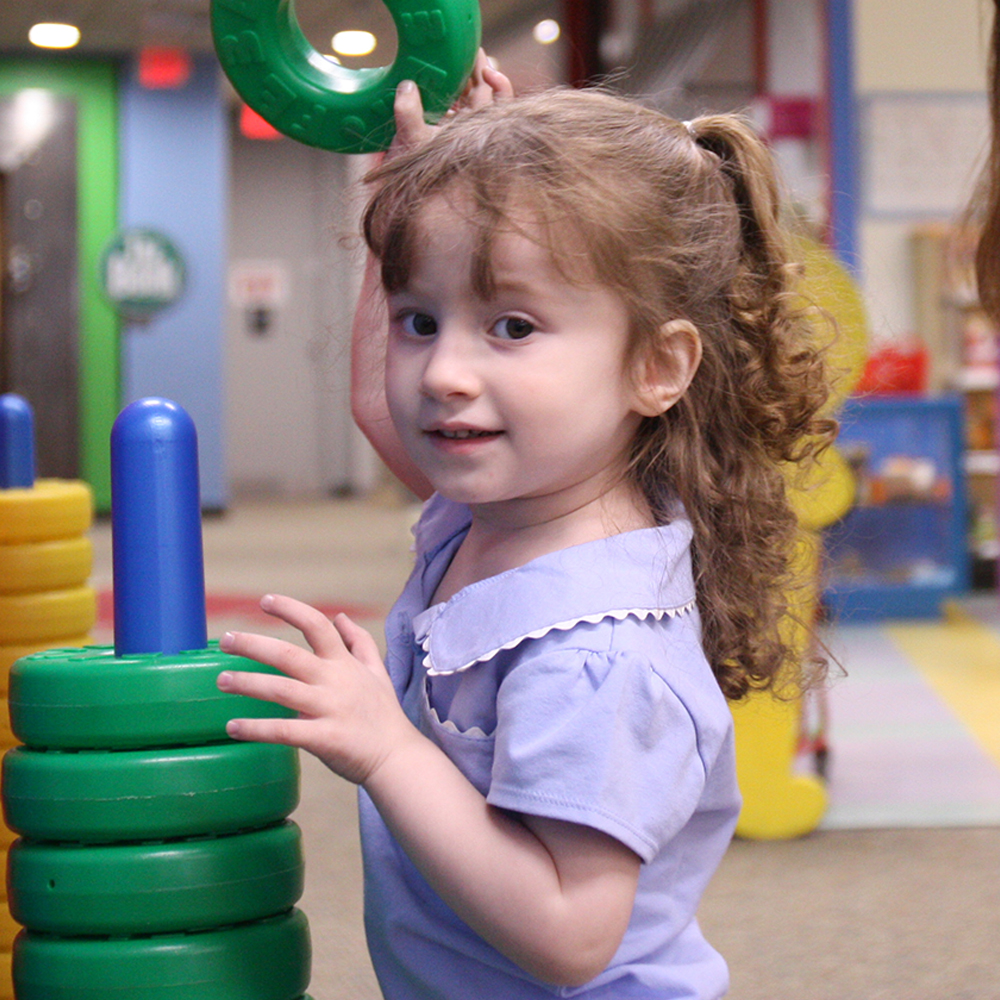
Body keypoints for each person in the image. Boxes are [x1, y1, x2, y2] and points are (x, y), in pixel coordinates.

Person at [217, 61, 835, 999]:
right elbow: (377, 402)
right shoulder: (510, 500)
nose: (443, 374)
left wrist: (389, 749)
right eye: (422, 319)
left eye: (510, 326)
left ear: (657, 367)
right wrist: (417, 191)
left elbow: (570, 932)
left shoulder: (594, 653)